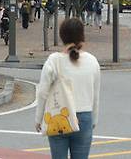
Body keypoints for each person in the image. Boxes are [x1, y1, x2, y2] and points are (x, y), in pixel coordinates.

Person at [35, 18, 100, 159]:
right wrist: (93, 119)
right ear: (82, 35)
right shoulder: (92, 61)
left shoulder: (54, 60)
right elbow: (95, 95)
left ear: (62, 36)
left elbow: (42, 93)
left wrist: (39, 119)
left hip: (58, 116)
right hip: (85, 117)